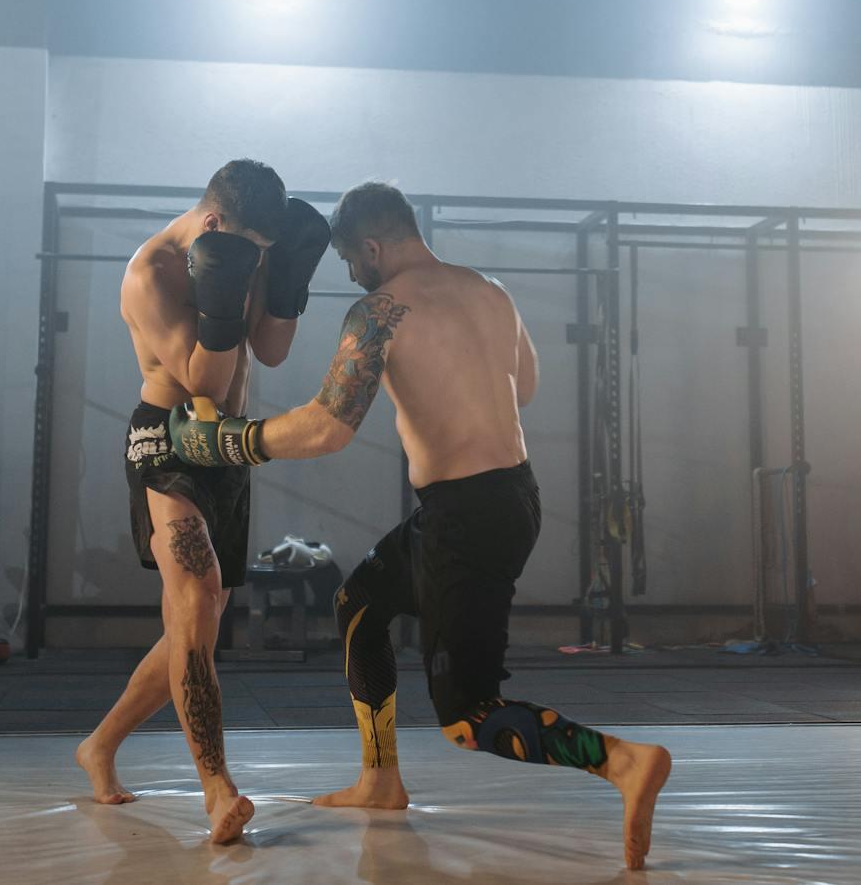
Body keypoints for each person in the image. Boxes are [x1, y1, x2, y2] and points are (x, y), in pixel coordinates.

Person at [163, 181, 672, 871]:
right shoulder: (489, 291)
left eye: (349, 260)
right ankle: (380, 779)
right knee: (360, 604)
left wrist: (227, 440)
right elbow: (523, 387)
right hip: (505, 500)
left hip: (468, 519)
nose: (349, 273)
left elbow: (327, 428)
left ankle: (622, 762)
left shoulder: (379, 311)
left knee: (469, 718)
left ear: (371, 247)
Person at [72, 159, 331, 845]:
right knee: (196, 593)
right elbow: (202, 380)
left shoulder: (248, 247)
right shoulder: (152, 273)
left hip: (229, 448)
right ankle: (217, 787)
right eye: (249, 251)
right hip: (168, 437)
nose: (256, 264)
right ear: (216, 226)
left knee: (203, 613)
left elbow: (269, 353)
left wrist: (285, 283)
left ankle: (99, 744)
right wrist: (225, 286)